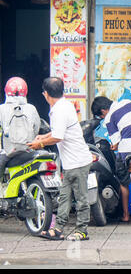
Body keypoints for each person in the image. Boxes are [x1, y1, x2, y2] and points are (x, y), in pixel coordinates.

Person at [28, 77, 92, 241]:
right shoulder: (65, 105)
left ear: (46, 94)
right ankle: (58, 229)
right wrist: (44, 135)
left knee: (81, 198)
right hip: (71, 161)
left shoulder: (58, 110)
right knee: (64, 197)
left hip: (77, 161)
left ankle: (82, 230)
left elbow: (58, 136)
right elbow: (59, 130)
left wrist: (40, 143)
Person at [0, 76, 41, 181]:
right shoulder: (31, 108)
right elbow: (37, 128)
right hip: (29, 149)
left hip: (9, 152)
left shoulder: (2, 108)